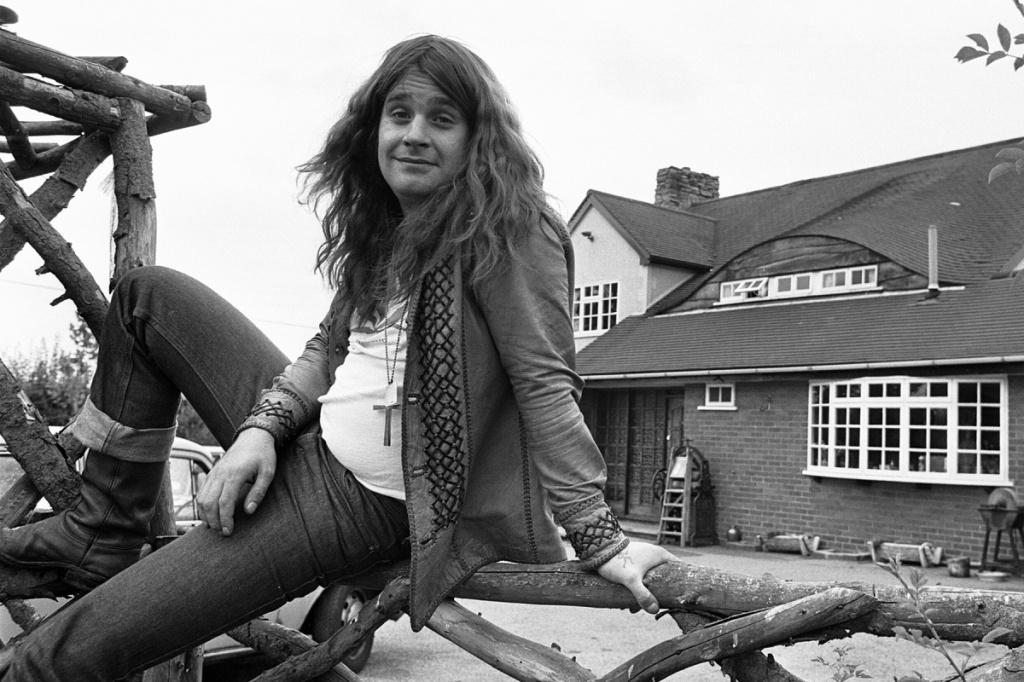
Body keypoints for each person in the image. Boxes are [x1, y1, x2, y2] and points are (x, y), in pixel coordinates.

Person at [0, 34, 675, 680]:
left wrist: (599, 537)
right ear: (372, 128)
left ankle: (88, 576)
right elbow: (328, 348)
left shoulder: (510, 227)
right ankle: (105, 528)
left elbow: (546, 384)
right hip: (313, 439)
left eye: (441, 119)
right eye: (399, 114)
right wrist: (262, 430)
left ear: (477, 138)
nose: (415, 134)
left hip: (362, 503)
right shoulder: (385, 226)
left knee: (57, 655)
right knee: (148, 298)